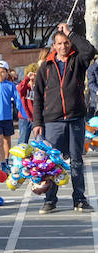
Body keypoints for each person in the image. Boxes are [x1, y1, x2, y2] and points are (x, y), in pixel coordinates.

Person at [32, 22, 96, 213]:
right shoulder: (46, 67)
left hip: (75, 118)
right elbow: (37, 96)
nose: (63, 47)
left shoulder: (78, 61)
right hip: (53, 121)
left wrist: (70, 32)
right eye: (59, 43)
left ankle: (79, 199)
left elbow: (90, 50)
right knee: (52, 162)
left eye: (66, 43)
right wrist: (37, 122)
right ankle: (50, 200)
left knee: (76, 160)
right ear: (54, 46)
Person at [17, 66, 37, 144]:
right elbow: (19, 90)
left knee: (40, 140)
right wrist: (27, 78)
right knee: (23, 140)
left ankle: (40, 156)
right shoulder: (25, 86)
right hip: (24, 117)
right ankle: (20, 156)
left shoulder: (39, 86)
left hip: (36, 117)